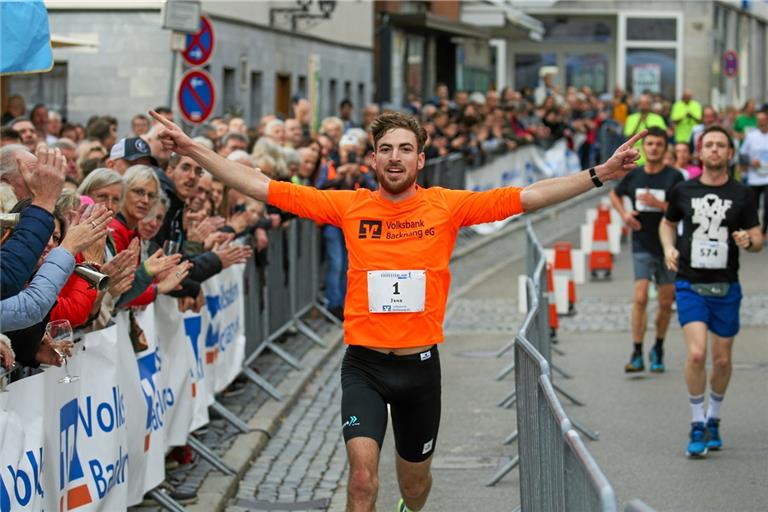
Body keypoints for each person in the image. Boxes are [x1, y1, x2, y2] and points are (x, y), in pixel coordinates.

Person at [150, 108, 645, 512]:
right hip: (364, 366)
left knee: (414, 487)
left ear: (421, 159)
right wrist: (192, 146)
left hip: (420, 371)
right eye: (386, 149)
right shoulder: (350, 206)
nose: (394, 157)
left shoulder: (446, 207)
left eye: (405, 148)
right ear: (372, 159)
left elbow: (529, 196)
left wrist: (600, 173)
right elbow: (260, 187)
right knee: (362, 478)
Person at [660, 125, 763, 458]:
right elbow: (667, 223)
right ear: (699, 153)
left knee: (721, 360)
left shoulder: (743, 194)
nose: (715, 150)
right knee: (696, 354)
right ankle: (696, 423)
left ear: (730, 154)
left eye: (721, 145)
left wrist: (749, 242)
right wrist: (668, 247)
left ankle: (714, 417)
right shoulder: (681, 190)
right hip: (690, 284)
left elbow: (758, 238)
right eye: (709, 145)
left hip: (727, 285)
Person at [610, 127, 684, 372]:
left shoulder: (674, 177)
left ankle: (659, 347)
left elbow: (683, 209)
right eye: (650, 144)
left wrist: (659, 204)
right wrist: (625, 215)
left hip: (668, 246)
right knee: (640, 296)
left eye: (658, 144)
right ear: (645, 147)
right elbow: (614, 194)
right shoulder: (635, 175)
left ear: (665, 148)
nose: (653, 148)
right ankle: (637, 350)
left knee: (665, 303)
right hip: (641, 241)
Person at [738, 108, 768, 237]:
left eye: (764, 120)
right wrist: (751, 161)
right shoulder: (751, 136)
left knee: (767, 206)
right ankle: (753, 229)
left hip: (767, 177)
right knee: (753, 206)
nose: (761, 123)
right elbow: (742, 154)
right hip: (754, 177)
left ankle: (763, 231)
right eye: (759, 120)